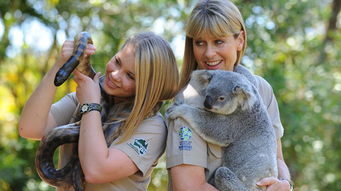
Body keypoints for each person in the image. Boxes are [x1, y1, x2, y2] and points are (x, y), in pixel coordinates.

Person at [19, 32, 179, 190]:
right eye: (117, 61)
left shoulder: (153, 127)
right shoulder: (85, 97)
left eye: (130, 76)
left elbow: (96, 171)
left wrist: (90, 105)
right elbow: (29, 128)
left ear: (148, 87)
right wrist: (59, 65)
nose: (115, 74)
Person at [166, 0, 293, 191]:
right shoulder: (188, 102)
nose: (209, 53)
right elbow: (189, 187)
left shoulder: (260, 89)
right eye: (200, 43)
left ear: (240, 40)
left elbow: (277, 159)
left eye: (218, 41)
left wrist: (285, 184)